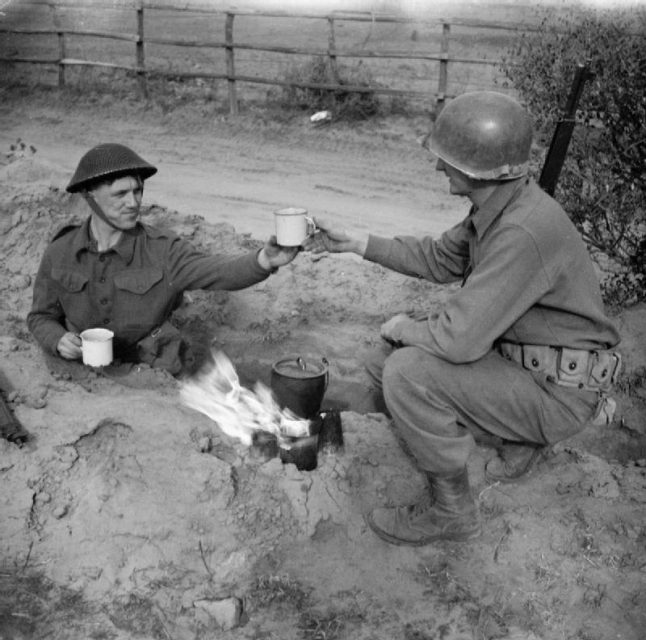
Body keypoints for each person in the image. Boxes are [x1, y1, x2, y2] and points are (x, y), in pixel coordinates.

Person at [303, 91, 621, 546]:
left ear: (482, 170)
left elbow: (457, 342)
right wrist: (359, 242)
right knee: (384, 364)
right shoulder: (503, 207)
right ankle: (515, 439)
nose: (437, 167)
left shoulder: (520, 230)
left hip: (558, 396)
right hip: (528, 366)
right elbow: (438, 259)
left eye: (447, 159)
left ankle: (453, 512)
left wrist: (402, 328)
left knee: (407, 373)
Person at [27, 143, 299, 375]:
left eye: (137, 191)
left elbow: (217, 270)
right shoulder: (60, 251)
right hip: (86, 371)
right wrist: (58, 340)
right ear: (90, 196)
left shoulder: (163, 249)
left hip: (152, 368)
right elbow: (41, 316)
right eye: (120, 194)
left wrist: (265, 259)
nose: (133, 203)